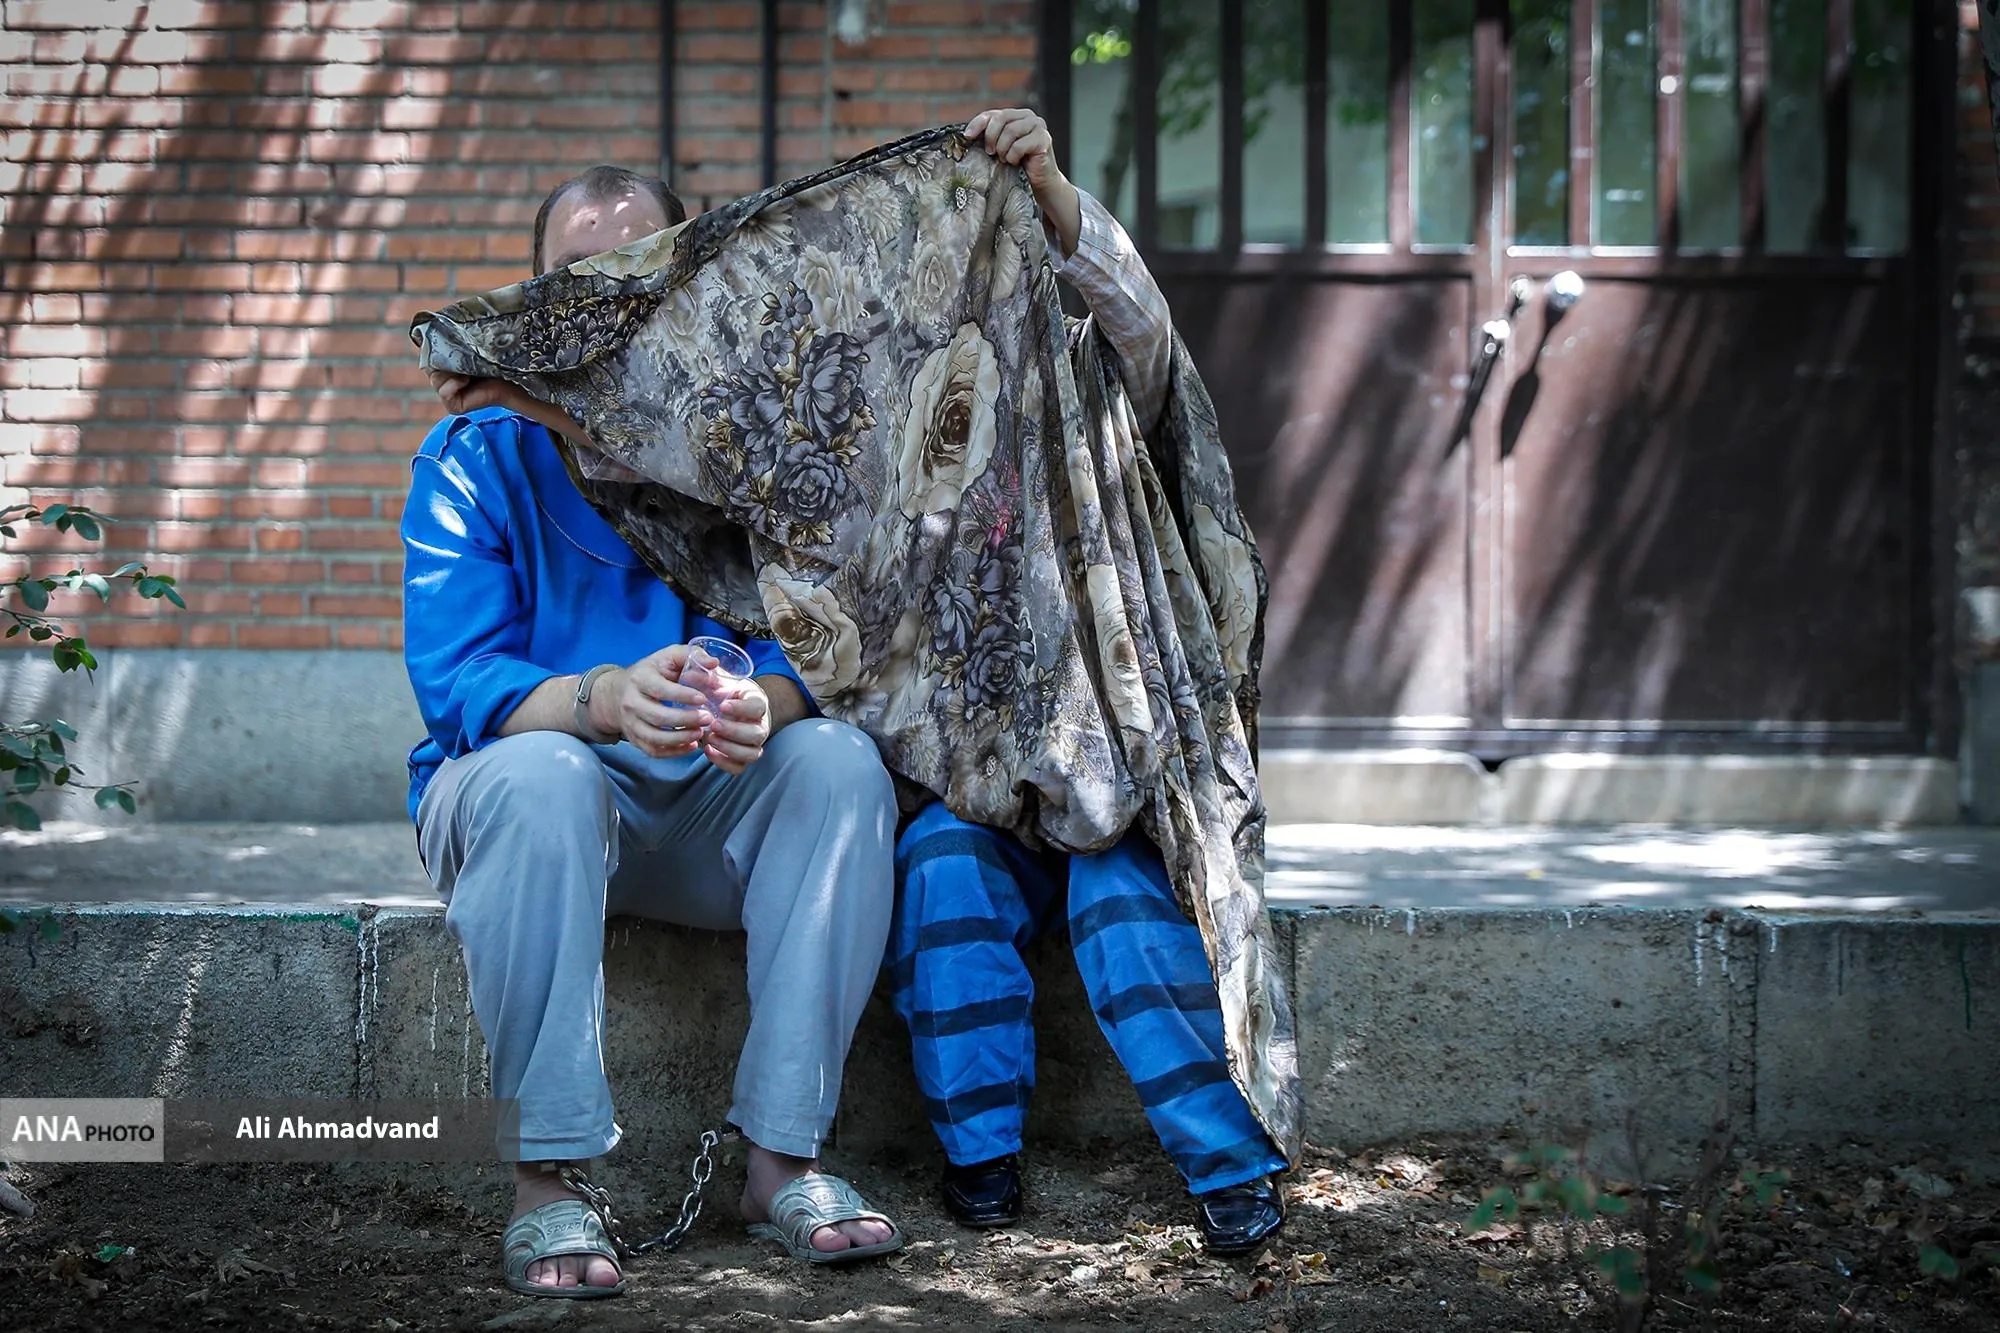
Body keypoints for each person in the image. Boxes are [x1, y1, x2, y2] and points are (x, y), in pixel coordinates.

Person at [404, 164, 903, 1300]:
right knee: (541, 776)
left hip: (706, 807)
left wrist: (763, 703)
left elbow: (828, 637)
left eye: (638, 268)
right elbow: (460, 684)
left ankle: (782, 1163)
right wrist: (603, 699)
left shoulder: (752, 440)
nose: (608, 296)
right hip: (532, 807)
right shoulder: (476, 453)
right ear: (538, 300)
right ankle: (546, 1180)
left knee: (838, 764)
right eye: (577, 275)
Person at [883, 109, 1290, 1256]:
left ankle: (1228, 1162)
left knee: (1119, 907)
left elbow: (1140, 319)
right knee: (943, 871)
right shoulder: (906, 447)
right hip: (982, 791)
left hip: (1122, 785)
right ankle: (980, 1155)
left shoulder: (1102, 384)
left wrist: (1052, 192)